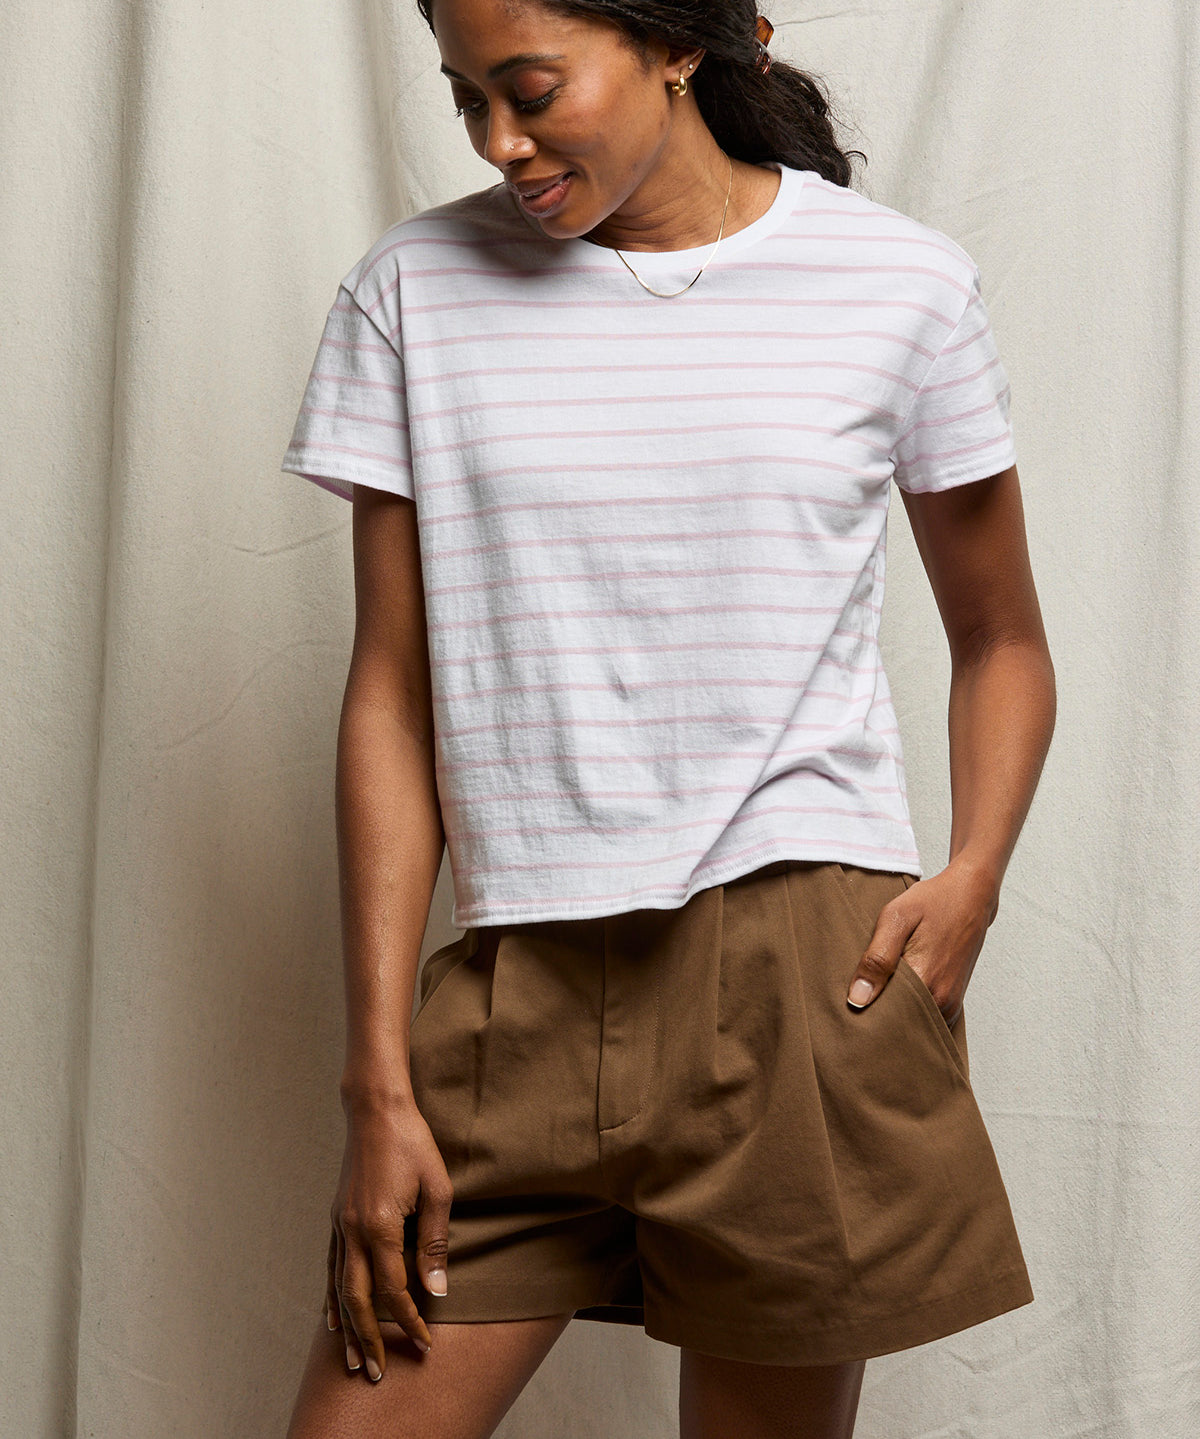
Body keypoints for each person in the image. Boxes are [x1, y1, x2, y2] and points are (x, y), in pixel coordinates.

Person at [278, 1, 1057, 1434]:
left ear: (682, 44)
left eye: (529, 89)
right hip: (517, 992)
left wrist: (973, 878)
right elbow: (389, 694)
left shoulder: (897, 286)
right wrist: (377, 1078)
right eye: (465, 100)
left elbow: (1001, 637)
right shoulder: (413, 290)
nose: (500, 143)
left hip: (802, 978)